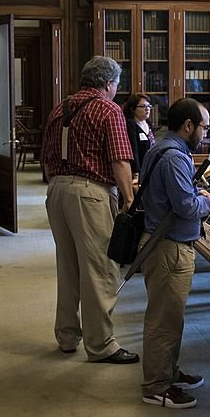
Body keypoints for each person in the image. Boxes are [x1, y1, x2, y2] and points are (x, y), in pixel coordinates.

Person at [42, 56, 139, 364]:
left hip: (56, 190)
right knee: (99, 269)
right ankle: (101, 345)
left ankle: (67, 336)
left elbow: (46, 156)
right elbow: (119, 159)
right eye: (116, 85)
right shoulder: (108, 109)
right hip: (90, 194)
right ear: (108, 84)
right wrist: (128, 199)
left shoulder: (60, 107)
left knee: (68, 266)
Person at [139, 98, 210, 409]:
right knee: (164, 319)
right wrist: (207, 203)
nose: (206, 134)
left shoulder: (162, 148)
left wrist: (192, 194)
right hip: (169, 247)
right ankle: (156, 386)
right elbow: (185, 207)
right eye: (204, 128)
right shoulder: (175, 158)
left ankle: (167, 373)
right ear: (188, 126)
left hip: (165, 243)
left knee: (171, 316)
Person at [123, 93, 154, 179]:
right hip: (138, 171)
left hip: (150, 168)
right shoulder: (130, 125)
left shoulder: (148, 124)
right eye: (143, 106)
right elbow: (134, 150)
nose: (147, 109)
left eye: (149, 106)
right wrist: (136, 173)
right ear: (133, 109)